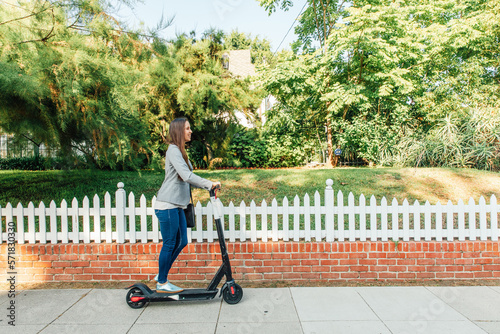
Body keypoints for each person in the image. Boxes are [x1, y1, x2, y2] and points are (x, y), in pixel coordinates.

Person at [154, 117, 220, 293]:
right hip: (167, 205)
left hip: (178, 206)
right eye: (187, 128)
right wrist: (209, 184)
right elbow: (187, 176)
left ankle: (162, 273)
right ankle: (162, 282)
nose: (191, 131)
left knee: (182, 241)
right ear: (178, 131)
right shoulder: (173, 150)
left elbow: (186, 177)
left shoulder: (180, 151)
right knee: (169, 243)